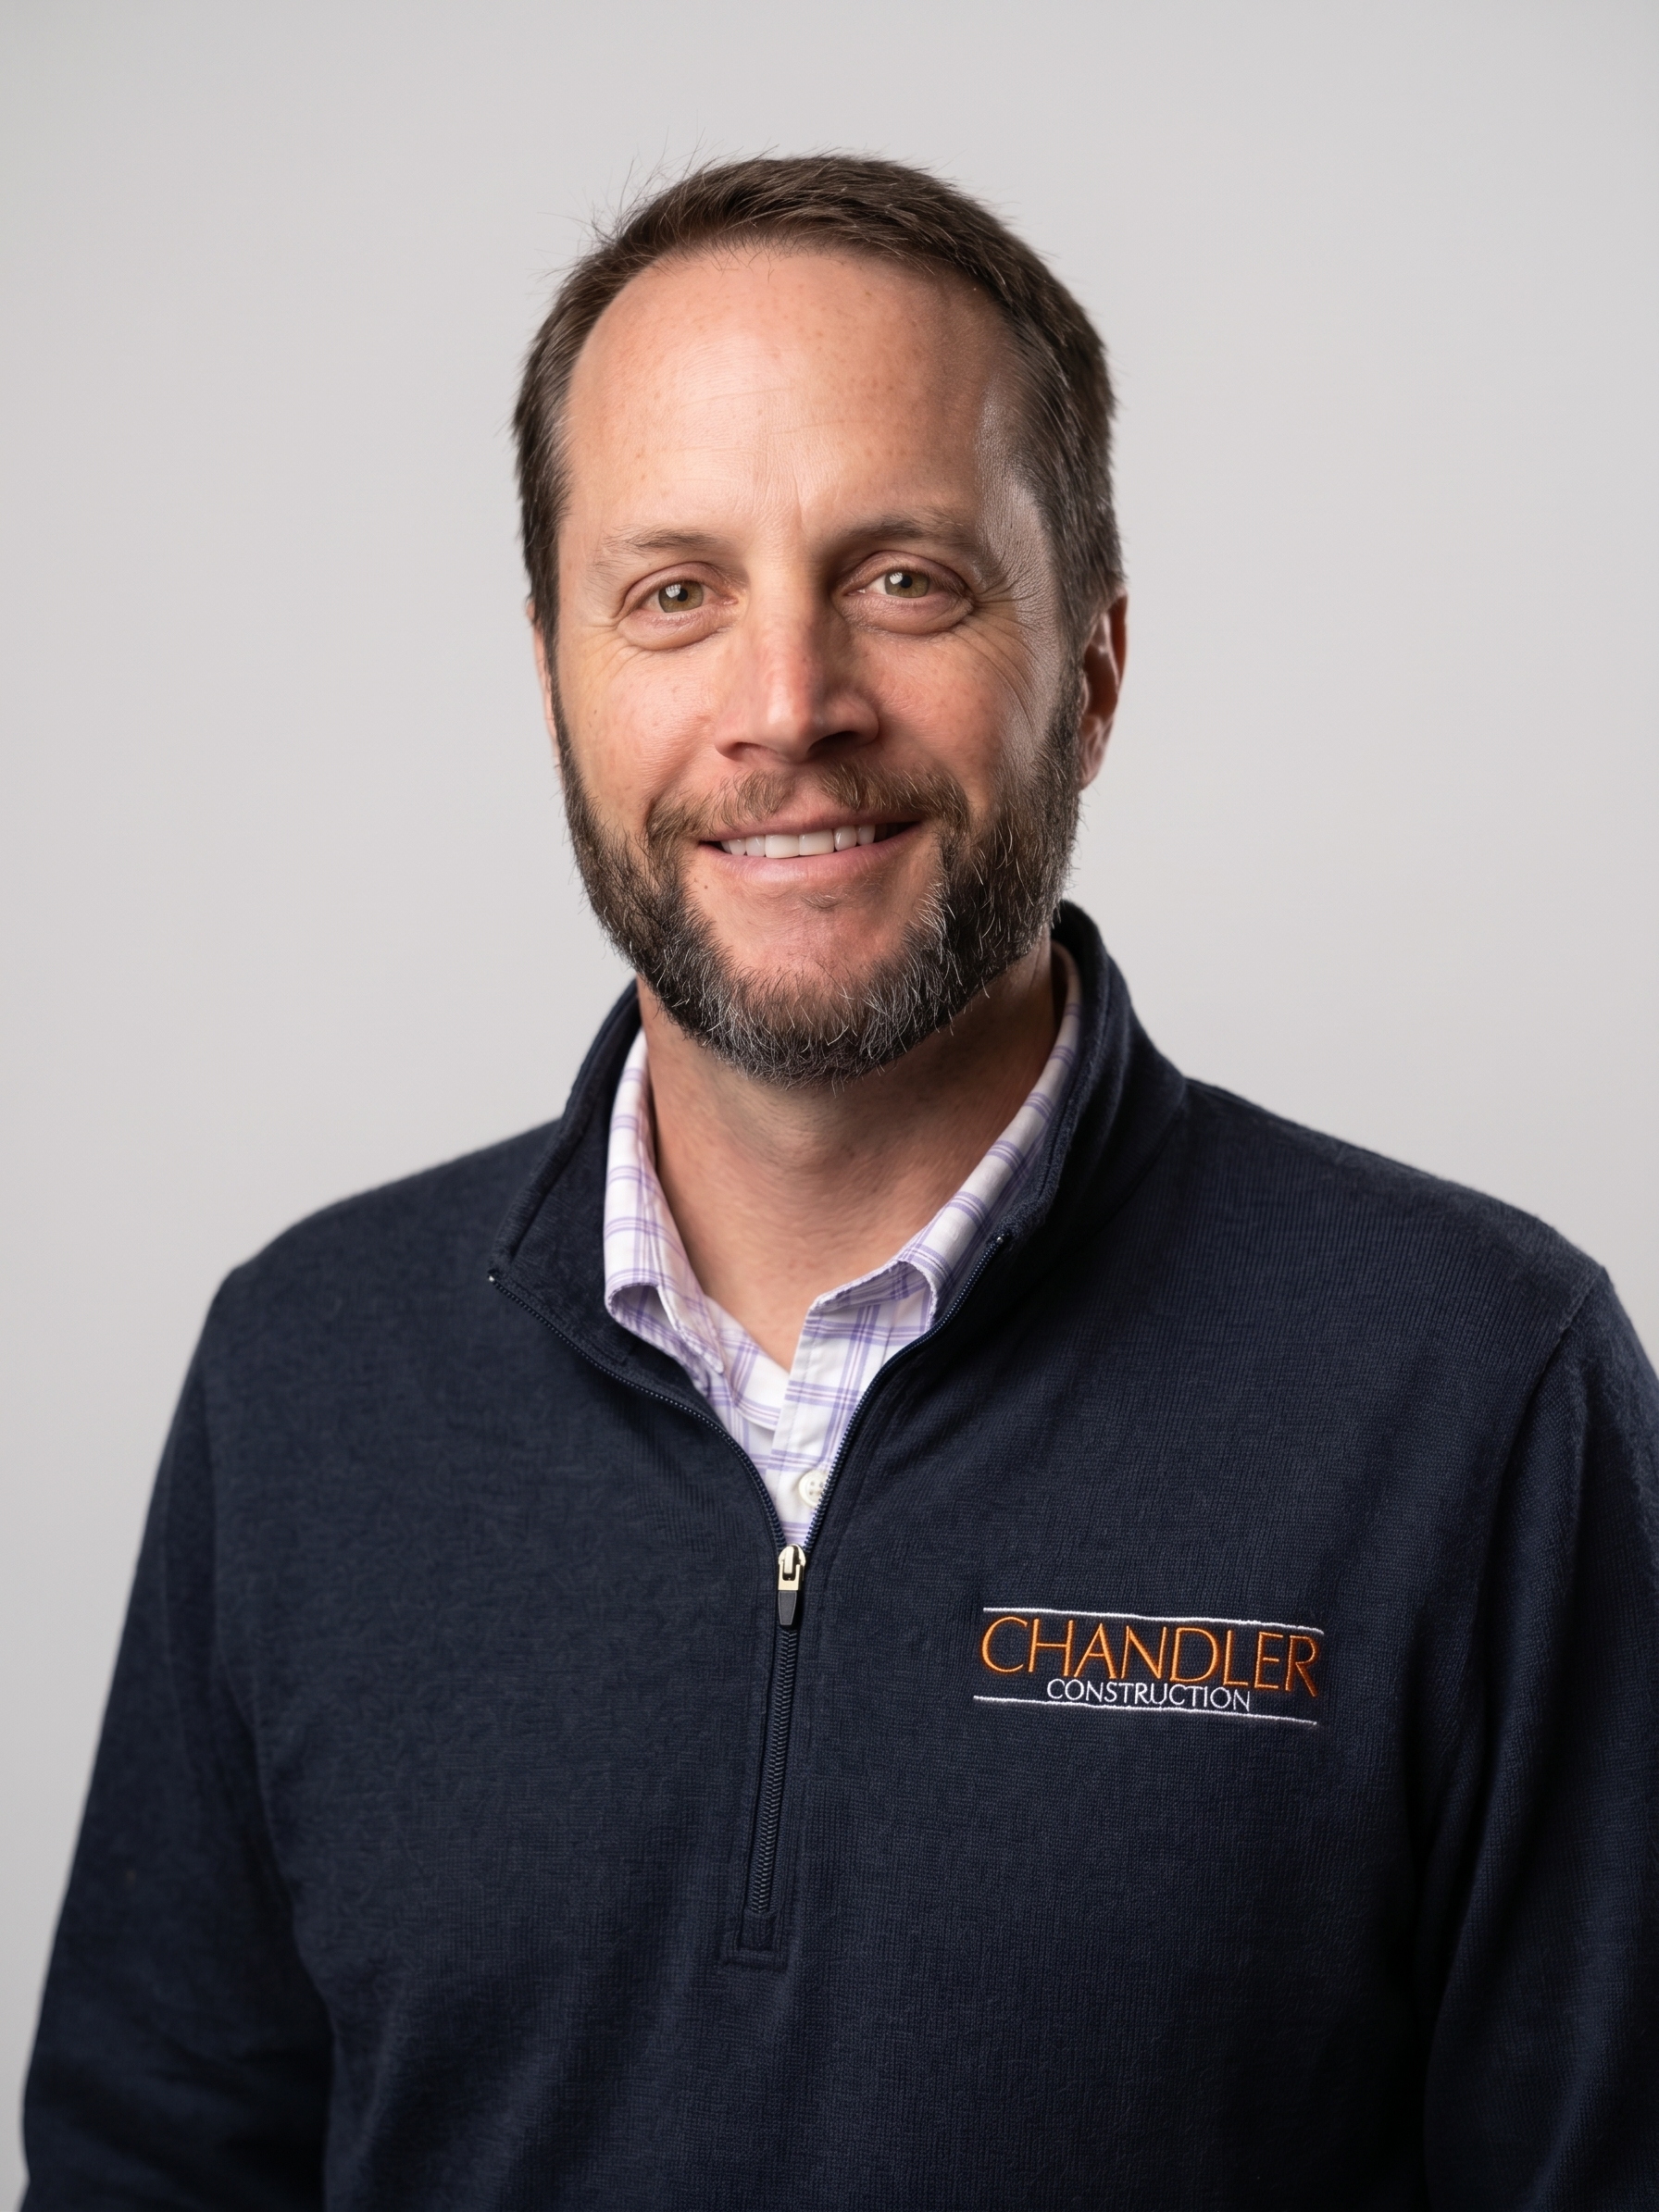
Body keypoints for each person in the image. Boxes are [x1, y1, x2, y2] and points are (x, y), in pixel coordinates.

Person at [22, 155, 1658, 2211]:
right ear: (554, 673)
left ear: (1093, 666)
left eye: (904, 579)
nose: (786, 706)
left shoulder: (1481, 1392)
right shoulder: (305, 1376)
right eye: (673, 593)